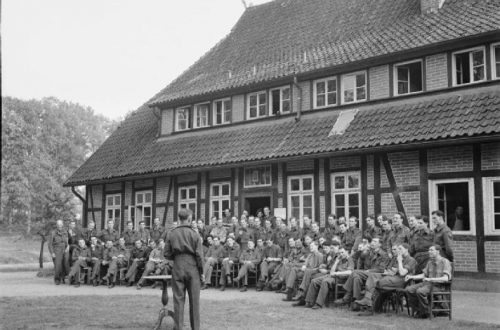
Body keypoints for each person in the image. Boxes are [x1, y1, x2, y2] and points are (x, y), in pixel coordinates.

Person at [164, 208, 204, 330]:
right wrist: (201, 272)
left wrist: (176, 257)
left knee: (178, 301)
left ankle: (178, 328)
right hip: (192, 269)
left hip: (177, 267)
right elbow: (199, 256)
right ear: (190, 219)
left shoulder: (171, 233)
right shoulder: (195, 234)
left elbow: (166, 253)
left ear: (179, 219)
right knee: (194, 302)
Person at [355, 243, 416, 310]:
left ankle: (371, 303)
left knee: (377, 282)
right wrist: (392, 271)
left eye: (400, 249)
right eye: (398, 249)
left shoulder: (411, 260)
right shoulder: (396, 258)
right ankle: (368, 300)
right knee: (373, 276)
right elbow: (388, 269)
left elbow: (402, 273)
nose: (398, 250)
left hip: (400, 280)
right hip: (390, 276)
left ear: (406, 249)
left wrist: (399, 262)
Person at [334, 237, 388, 311]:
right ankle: (357, 302)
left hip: (376, 275)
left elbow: (381, 269)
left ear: (380, 244)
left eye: (375, 241)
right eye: (372, 241)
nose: (372, 242)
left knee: (354, 272)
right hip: (366, 274)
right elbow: (353, 257)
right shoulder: (368, 252)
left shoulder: (383, 254)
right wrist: (359, 251)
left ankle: (346, 297)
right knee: (356, 277)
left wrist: (369, 271)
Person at [405, 245, 452, 319]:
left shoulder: (445, 262)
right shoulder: (430, 262)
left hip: (438, 286)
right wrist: (411, 277)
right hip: (427, 284)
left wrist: (431, 279)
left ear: (438, 251)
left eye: (431, 250)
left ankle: (425, 312)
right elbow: (424, 275)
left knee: (420, 291)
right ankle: (423, 311)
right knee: (409, 289)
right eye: (429, 250)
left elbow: (446, 278)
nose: (429, 252)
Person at [48, 219, 69, 285]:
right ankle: (57, 279)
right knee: (58, 266)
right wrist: (52, 253)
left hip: (64, 250)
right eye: (58, 224)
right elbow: (50, 244)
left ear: (62, 225)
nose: (60, 226)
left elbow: (67, 241)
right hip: (57, 250)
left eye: (61, 224)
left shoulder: (65, 232)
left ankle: (63, 278)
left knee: (64, 264)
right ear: (56, 225)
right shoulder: (53, 233)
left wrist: (67, 247)